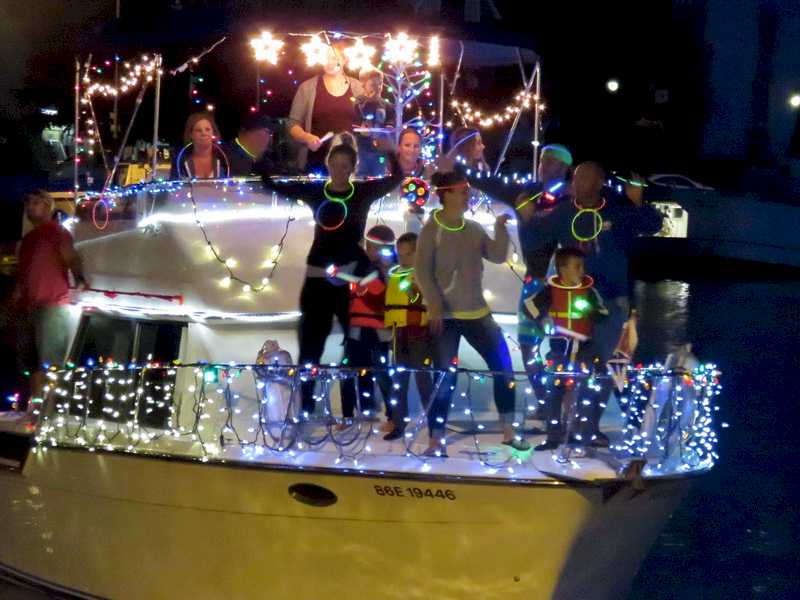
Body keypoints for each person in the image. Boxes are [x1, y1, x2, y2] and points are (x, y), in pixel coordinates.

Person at [260, 133, 404, 417]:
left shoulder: (362, 193)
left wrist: (390, 153)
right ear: (328, 165)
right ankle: (307, 408)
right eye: (334, 164)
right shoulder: (317, 193)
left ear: (352, 168)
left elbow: (396, 178)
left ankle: (362, 409)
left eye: (344, 165)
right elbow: (274, 186)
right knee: (310, 348)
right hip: (317, 282)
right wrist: (263, 157)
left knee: (359, 348)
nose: (339, 169)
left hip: (352, 283)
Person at [533, 161, 663, 446]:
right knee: (560, 366)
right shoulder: (565, 210)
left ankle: (588, 428)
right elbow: (536, 231)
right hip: (569, 302)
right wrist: (525, 212)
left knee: (600, 366)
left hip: (612, 302)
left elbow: (654, 224)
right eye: (576, 178)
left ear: (600, 182)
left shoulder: (617, 209)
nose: (578, 184)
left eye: (586, 179)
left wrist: (638, 202)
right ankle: (555, 433)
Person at [415, 171, 529, 457]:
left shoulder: (474, 228)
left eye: (468, 190)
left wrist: (502, 228)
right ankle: (436, 438)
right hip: (447, 317)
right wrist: (435, 305)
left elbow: (497, 255)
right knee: (445, 377)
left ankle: (508, 432)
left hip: (477, 313)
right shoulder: (432, 229)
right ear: (447, 194)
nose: (468, 195)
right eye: (463, 191)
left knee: (503, 368)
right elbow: (421, 271)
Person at [521, 247, 608, 450]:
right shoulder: (550, 290)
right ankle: (553, 436)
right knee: (554, 391)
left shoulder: (589, 290)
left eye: (582, 266)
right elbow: (529, 306)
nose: (581, 270)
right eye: (577, 266)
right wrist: (543, 319)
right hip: (559, 348)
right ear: (562, 269)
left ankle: (579, 433)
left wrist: (591, 310)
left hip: (585, 348)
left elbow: (603, 313)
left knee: (587, 391)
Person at [13, 190, 88, 414]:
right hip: (30, 306)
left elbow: (71, 257)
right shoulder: (28, 239)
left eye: (35, 202)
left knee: (50, 363)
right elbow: (24, 273)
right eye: (27, 202)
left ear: (48, 206)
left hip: (53, 304)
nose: (30, 207)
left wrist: (81, 279)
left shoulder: (57, 232)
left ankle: (49, 412)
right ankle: (36, 409)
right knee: (32, 363)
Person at [340, 224, 396, 427]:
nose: (370, 251)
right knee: (349, 371)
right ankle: (352, 414)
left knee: (380, 372)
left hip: (378, 331)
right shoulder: (360, 267)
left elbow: (386, 296)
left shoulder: (392, 271)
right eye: (369, 247)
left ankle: (393, 416)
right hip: (356, 328)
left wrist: (385, 270)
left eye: (375, 248)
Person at [383, 232, 434, 441]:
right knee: (399, 381)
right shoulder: (394, 275)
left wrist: (411, 290)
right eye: (400, 254)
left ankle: (434, 426)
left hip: (418, 332)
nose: (403, 259)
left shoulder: (423, 274)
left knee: (423, 380)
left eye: (407, 254)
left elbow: (423, 300)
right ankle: (399, 423)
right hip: (398, 331)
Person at [288, 43, 364, 173]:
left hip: (352, 165)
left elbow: (368, 119)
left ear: (345, 60)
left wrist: (366, 127)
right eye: (326, 58)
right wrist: (306, 137)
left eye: (334, 58)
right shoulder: (307, 87)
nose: (329, 62)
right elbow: (292, 124)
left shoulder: (358, 87)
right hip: (316, 163)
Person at [171, 112, 230, 179]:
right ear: (191, 135)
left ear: (213, 132)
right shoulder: (180, 161)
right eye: (198, 130)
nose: (204, 133)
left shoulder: (224, 159)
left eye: (207, 130)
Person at [228, 112, 275, 177]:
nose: (270, 138)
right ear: (245, 132)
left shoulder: (267, 163)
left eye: (271, 134)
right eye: (267, 132)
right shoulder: (226, 158)